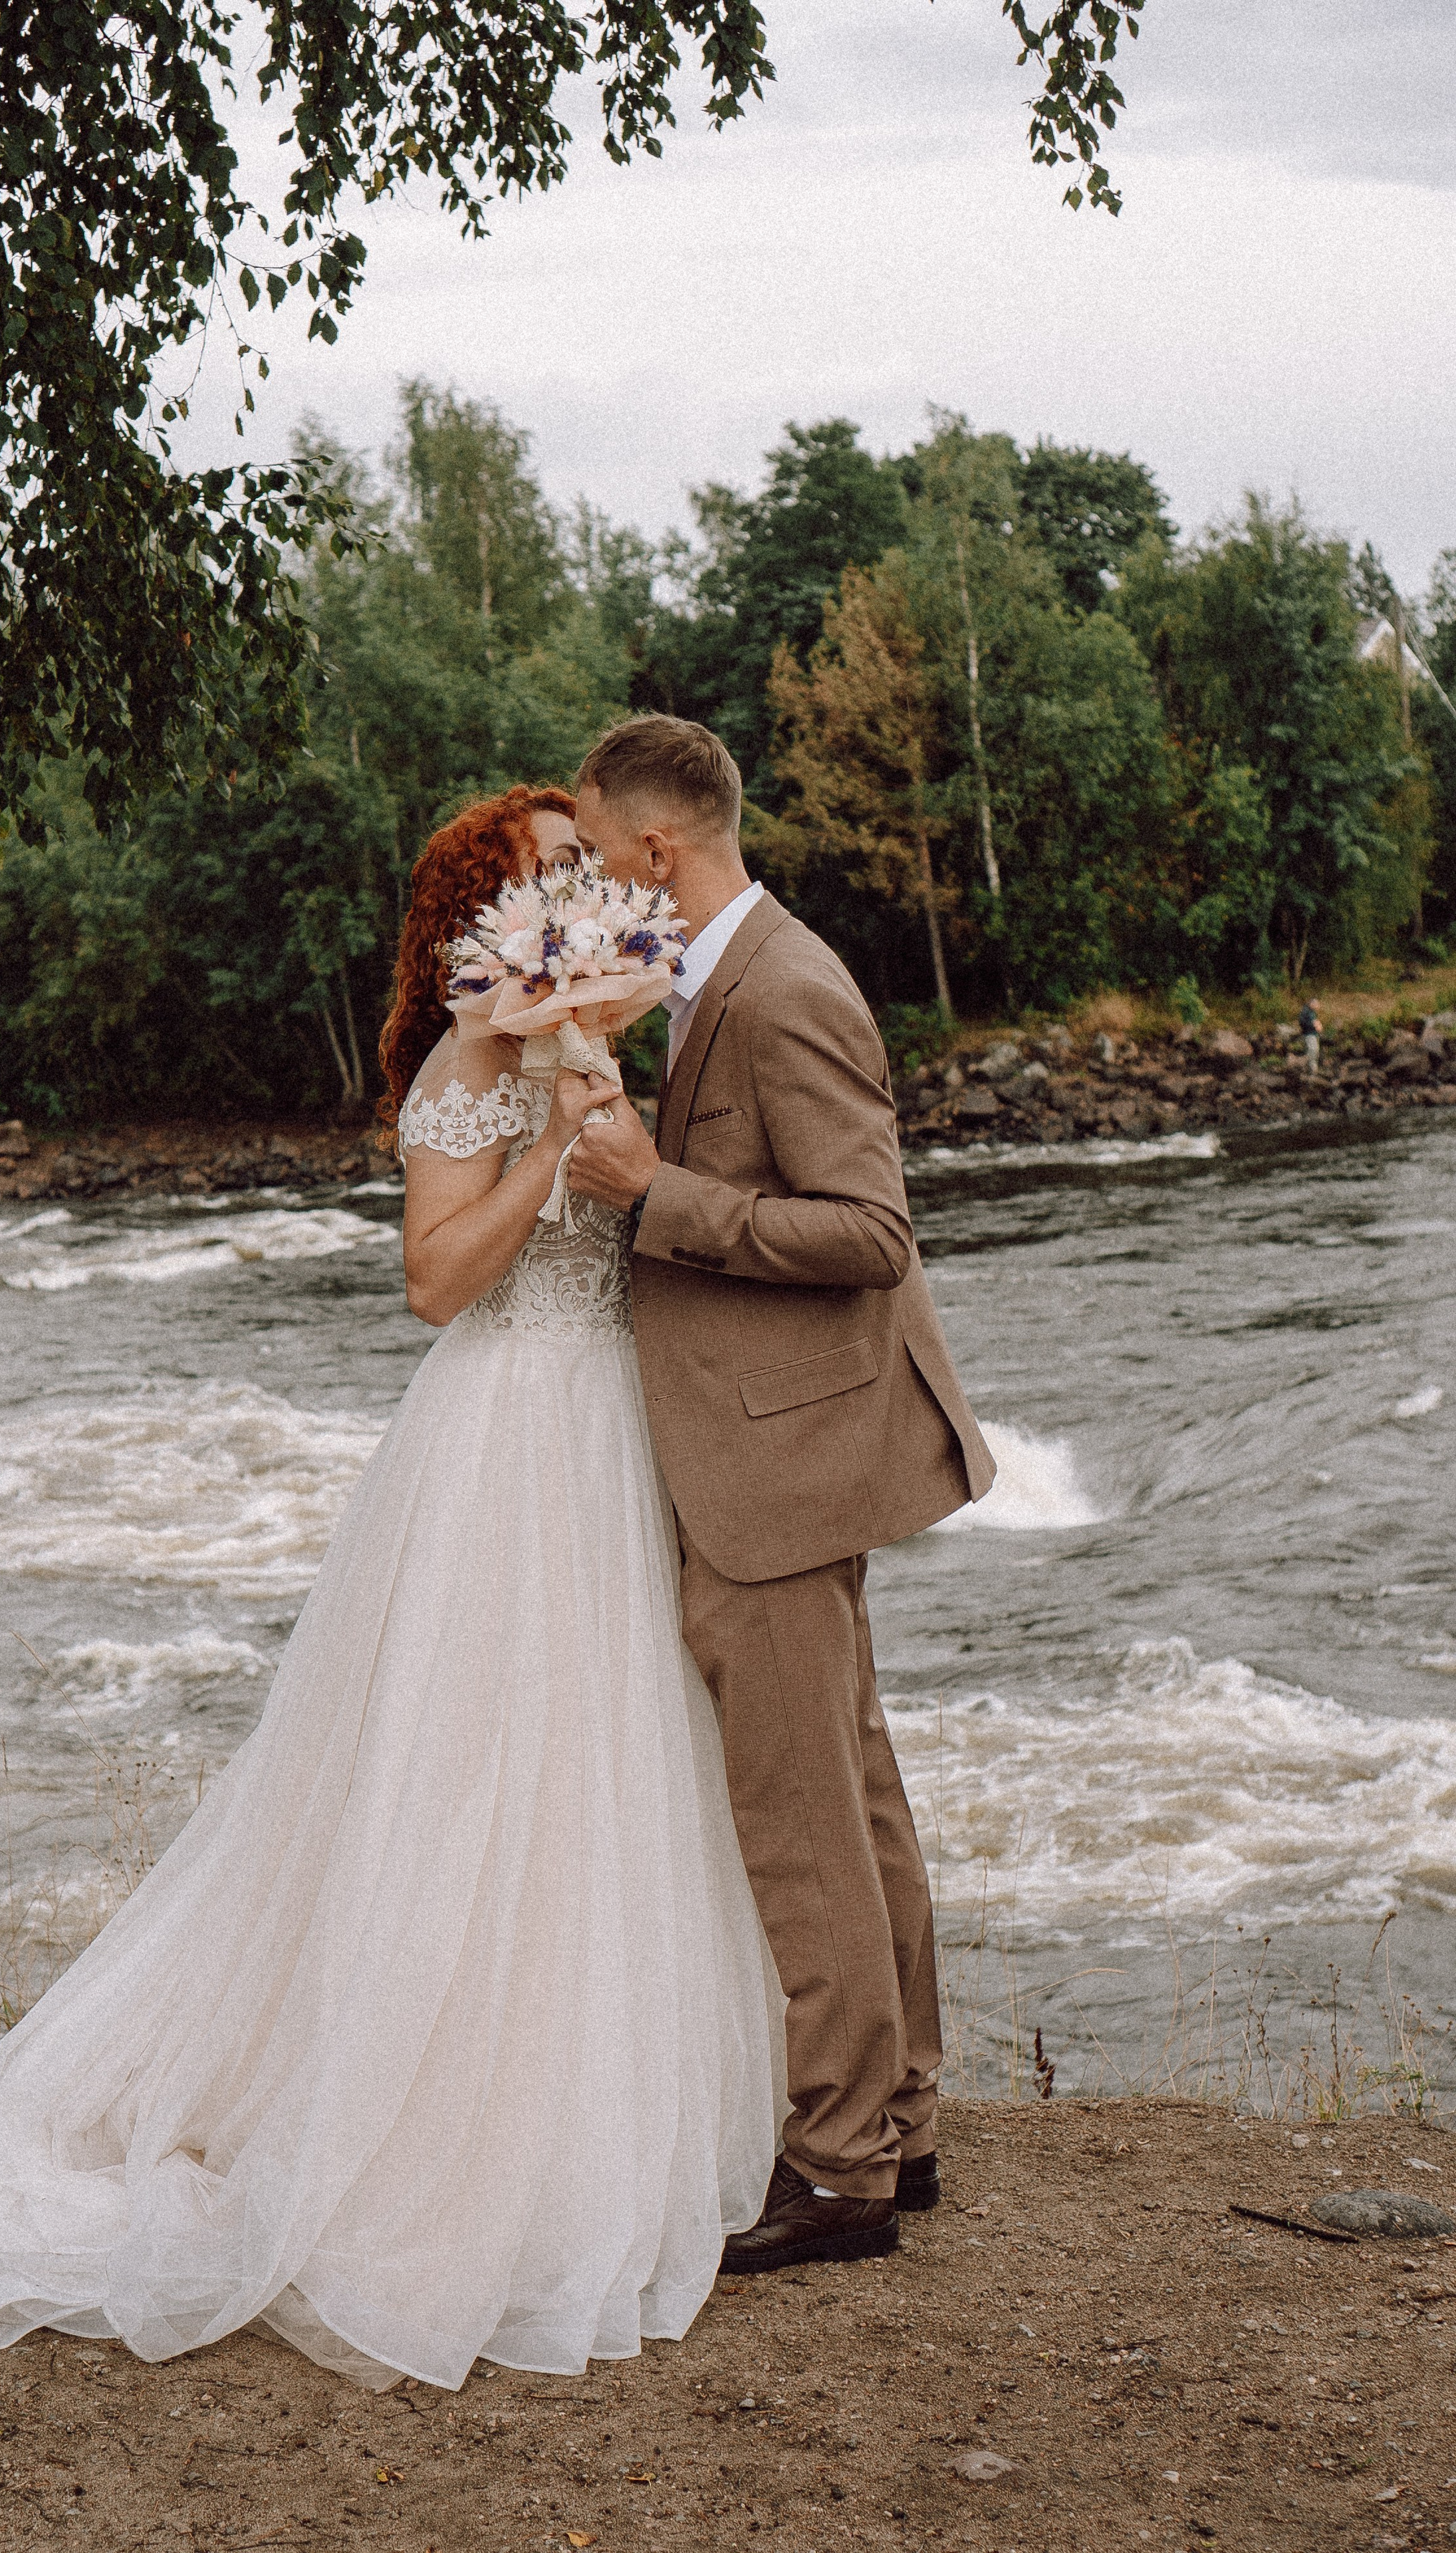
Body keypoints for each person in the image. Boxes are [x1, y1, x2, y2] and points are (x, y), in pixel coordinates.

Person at [0, 783, 782, 2390]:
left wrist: (608, 1108)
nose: (573, 886)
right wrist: (555, 1146)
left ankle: (594, 2105)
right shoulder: (457, 1072)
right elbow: (435, 1282)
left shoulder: (591, 1031)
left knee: (606, 1767)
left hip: (611, 1426)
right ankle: (433, 2133)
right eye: (546, 870)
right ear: (474, 918)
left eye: (580, 867)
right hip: (502, 1433)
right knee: (473, 1769)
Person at [565, 715, 995, 2277]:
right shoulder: (709, 978)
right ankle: (901, 2123)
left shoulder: (787, 987)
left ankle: (837, 2168)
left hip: (776, 1458)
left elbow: (869, 1231)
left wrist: (652, 1197)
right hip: (786, 1445)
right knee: (852, 1793)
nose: (586, 874)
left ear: (656, 851)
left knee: (798, 1817)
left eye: (598, 849)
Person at [1298, 996, 1322, 1070]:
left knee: (1315, 1050)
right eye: (1317, 1004)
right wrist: (1313, 1025)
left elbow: (1314, 1022)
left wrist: (1318, 1025)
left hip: (1313, 1034)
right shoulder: (1306, 1011)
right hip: (1309, 1034)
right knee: (1312, 1050)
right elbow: (1302, 1023)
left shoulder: (1312, 1012)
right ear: (1312, 1004)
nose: (1318, 1006)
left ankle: (1312, 1067)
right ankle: (1311, 1068)